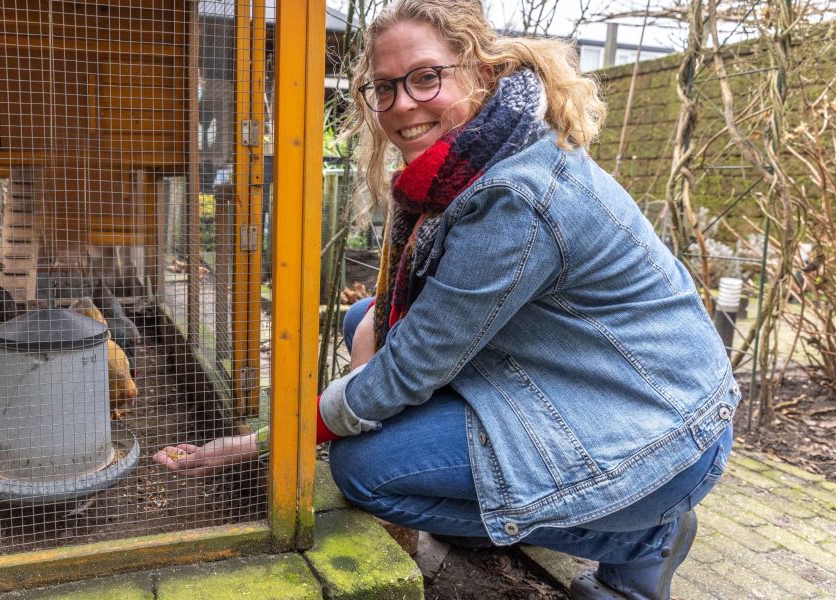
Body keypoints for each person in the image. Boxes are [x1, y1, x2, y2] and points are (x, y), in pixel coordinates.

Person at [155, 2, 738, 598]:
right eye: (384, 87)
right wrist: (374, 365)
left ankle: (639, 540)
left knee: (366, 472)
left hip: (660, 429)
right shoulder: (478, 158)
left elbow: (410, 368)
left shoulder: (514, 194)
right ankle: (511, 509)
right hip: (602, 378)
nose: (402, 103)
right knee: (364, 320)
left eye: (426, 77)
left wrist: (268, 439)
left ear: (480, 73)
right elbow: (403, 324)